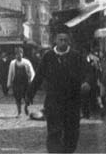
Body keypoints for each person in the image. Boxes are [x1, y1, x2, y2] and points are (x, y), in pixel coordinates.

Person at [26, 25, 90, 153]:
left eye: (65, 40)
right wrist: (29, 96)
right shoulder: (48, 57)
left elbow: (87, 72)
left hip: (72, 102)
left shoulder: (76, 56)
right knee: (54, 133)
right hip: (53, 102)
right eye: (60, 39)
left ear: (69, 41)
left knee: (72, 134)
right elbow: (38, 77)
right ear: (55, 40)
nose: (63, 42)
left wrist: (86, 82)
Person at [7, 47, 35, 117]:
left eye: (20, 53)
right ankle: (19, 112)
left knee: (26, 97)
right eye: (17, 54)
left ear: (22, 54)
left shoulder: (26, 62)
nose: (18, 55)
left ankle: (26, 107)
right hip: (16, 83)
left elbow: (32, 72)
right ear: (15, 55)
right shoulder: (12, 63)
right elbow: (10, 73)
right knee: (17, 98)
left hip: (25, 83)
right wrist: (9, 83)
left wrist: (31, 80)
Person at [81, 46, 101, 119]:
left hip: (88, 80)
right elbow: (99, 69)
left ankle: (87, 113)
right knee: (93, 96)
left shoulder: (87, 58)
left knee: (86, 98)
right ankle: (93, 112)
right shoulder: (95, 58)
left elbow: (85, 69)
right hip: (94, 80)